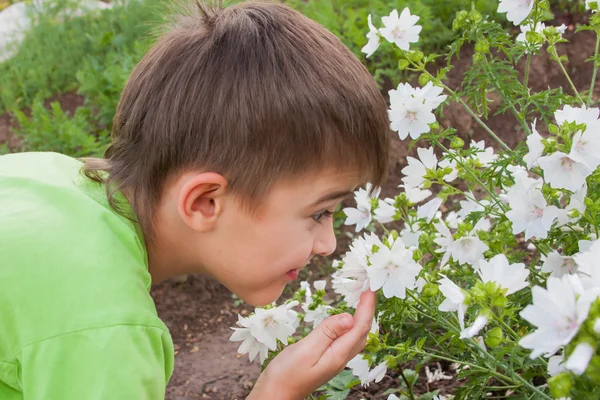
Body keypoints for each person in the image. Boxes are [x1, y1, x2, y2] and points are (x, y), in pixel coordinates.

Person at [0, 0, 390, 398]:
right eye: (319, 213)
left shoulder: (42, 175)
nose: (329, 244)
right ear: (205, 203)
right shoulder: (102, 331)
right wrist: (276, 391)